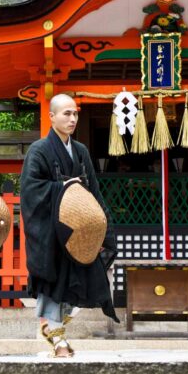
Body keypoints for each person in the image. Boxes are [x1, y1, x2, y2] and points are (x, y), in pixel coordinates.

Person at [20, 93, 119, 358]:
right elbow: (30, 190)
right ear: (51, 116)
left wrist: (103, 226)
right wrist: (59, 188)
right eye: (66, 113)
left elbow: (93, 192)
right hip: (52, 233)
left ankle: (52, 329)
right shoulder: (39, 150)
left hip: (79, 233)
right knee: (55, 284)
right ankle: (58, 339)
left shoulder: (81, 151)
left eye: (75, 113)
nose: (72, 118)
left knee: (87, 282)